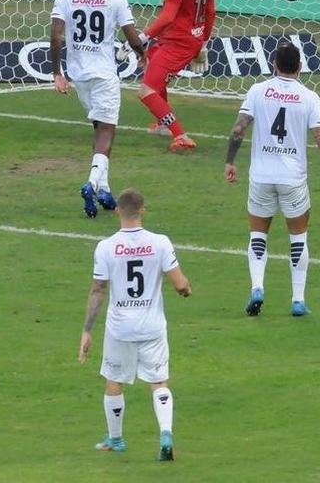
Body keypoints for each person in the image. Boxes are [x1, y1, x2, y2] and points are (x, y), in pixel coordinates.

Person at [224, 42, 320, 317]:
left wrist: (230, 161)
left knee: (258, 234)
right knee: (298, 238)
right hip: (292, 178)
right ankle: (297, 300)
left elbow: (238, 128)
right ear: (301, 67)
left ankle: (257, 287)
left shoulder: (257, 91)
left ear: (273, 65)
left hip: (261, 176)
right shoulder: (309, 97)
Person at [77, 188, 191, 461]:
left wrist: (87, 329)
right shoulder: (160, 242)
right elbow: (179, 283)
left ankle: (115, 439)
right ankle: (165, 434)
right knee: (159, 382)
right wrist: (186, 289)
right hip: (152, 326)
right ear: (143, 210)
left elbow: (98, 291)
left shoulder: (105, 247)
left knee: (114, 381)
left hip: (120, 328)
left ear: (117, 211)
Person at [50, 0, 147, 218]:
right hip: (103, 74)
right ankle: (91, 183)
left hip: (78, 74)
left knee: (98, 127)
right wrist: (142, 55)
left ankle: (104, 189)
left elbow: (56, 37)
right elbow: (131, 34)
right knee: (106, 131)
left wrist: (57, 73)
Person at [137, 0, 215, 152]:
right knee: (151, 65)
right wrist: (203, 42)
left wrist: (142, 37)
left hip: (178, 42)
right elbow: (210, 13)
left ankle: (180, 134)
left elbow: (168, 16)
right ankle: (163, 123)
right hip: (186, 40)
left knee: (146, 91)